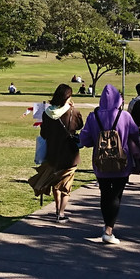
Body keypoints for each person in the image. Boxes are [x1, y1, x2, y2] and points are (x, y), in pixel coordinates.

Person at [78, 84, 140, 244]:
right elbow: (134, 134)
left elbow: (85, 139)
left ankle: (107, 225)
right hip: (121, 161)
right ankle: (109, 229)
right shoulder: (125, 116)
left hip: (101, 162)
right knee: (116, 195)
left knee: (105, 192)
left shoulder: (93, 116)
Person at [28, 84, 84, 221]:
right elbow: (80, 125)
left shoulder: (47, 114)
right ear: (68, 97)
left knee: (56, 184)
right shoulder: (73, 112)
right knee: (66, 186)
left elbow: (44, 133)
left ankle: (57, 209)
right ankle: (62, 213)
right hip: (70, 155)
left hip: (53, 153)